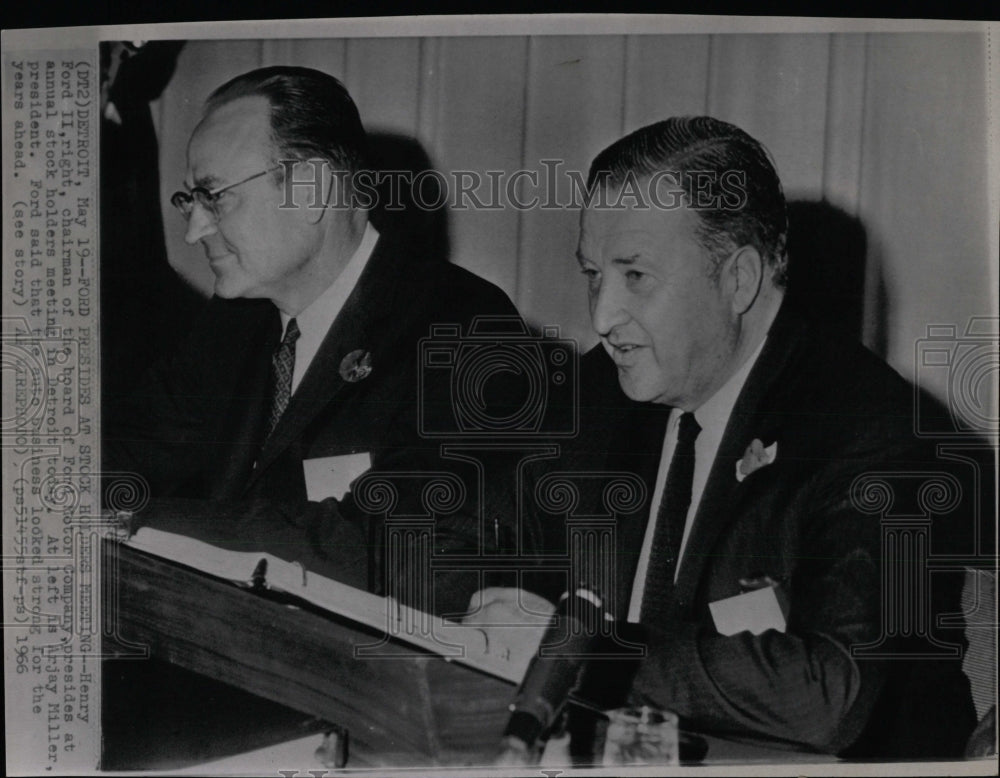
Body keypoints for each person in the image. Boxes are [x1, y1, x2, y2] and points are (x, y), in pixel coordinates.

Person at [489, 115, 980, 761]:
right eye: (593, 274)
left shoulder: (872, 426)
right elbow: (497, 564)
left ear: (739, 280)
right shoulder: (597, 394)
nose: (603, 316)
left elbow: (828, 692)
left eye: (635, 276)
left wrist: (579, 654)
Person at [104, 66, 522, 615]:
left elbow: (394, 550)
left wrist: (122, 521)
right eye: (190, 201)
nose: (194, 231)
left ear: (313, 190)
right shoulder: (233, 323)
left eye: (214, 198)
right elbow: (129, 449)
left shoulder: (466, 327)